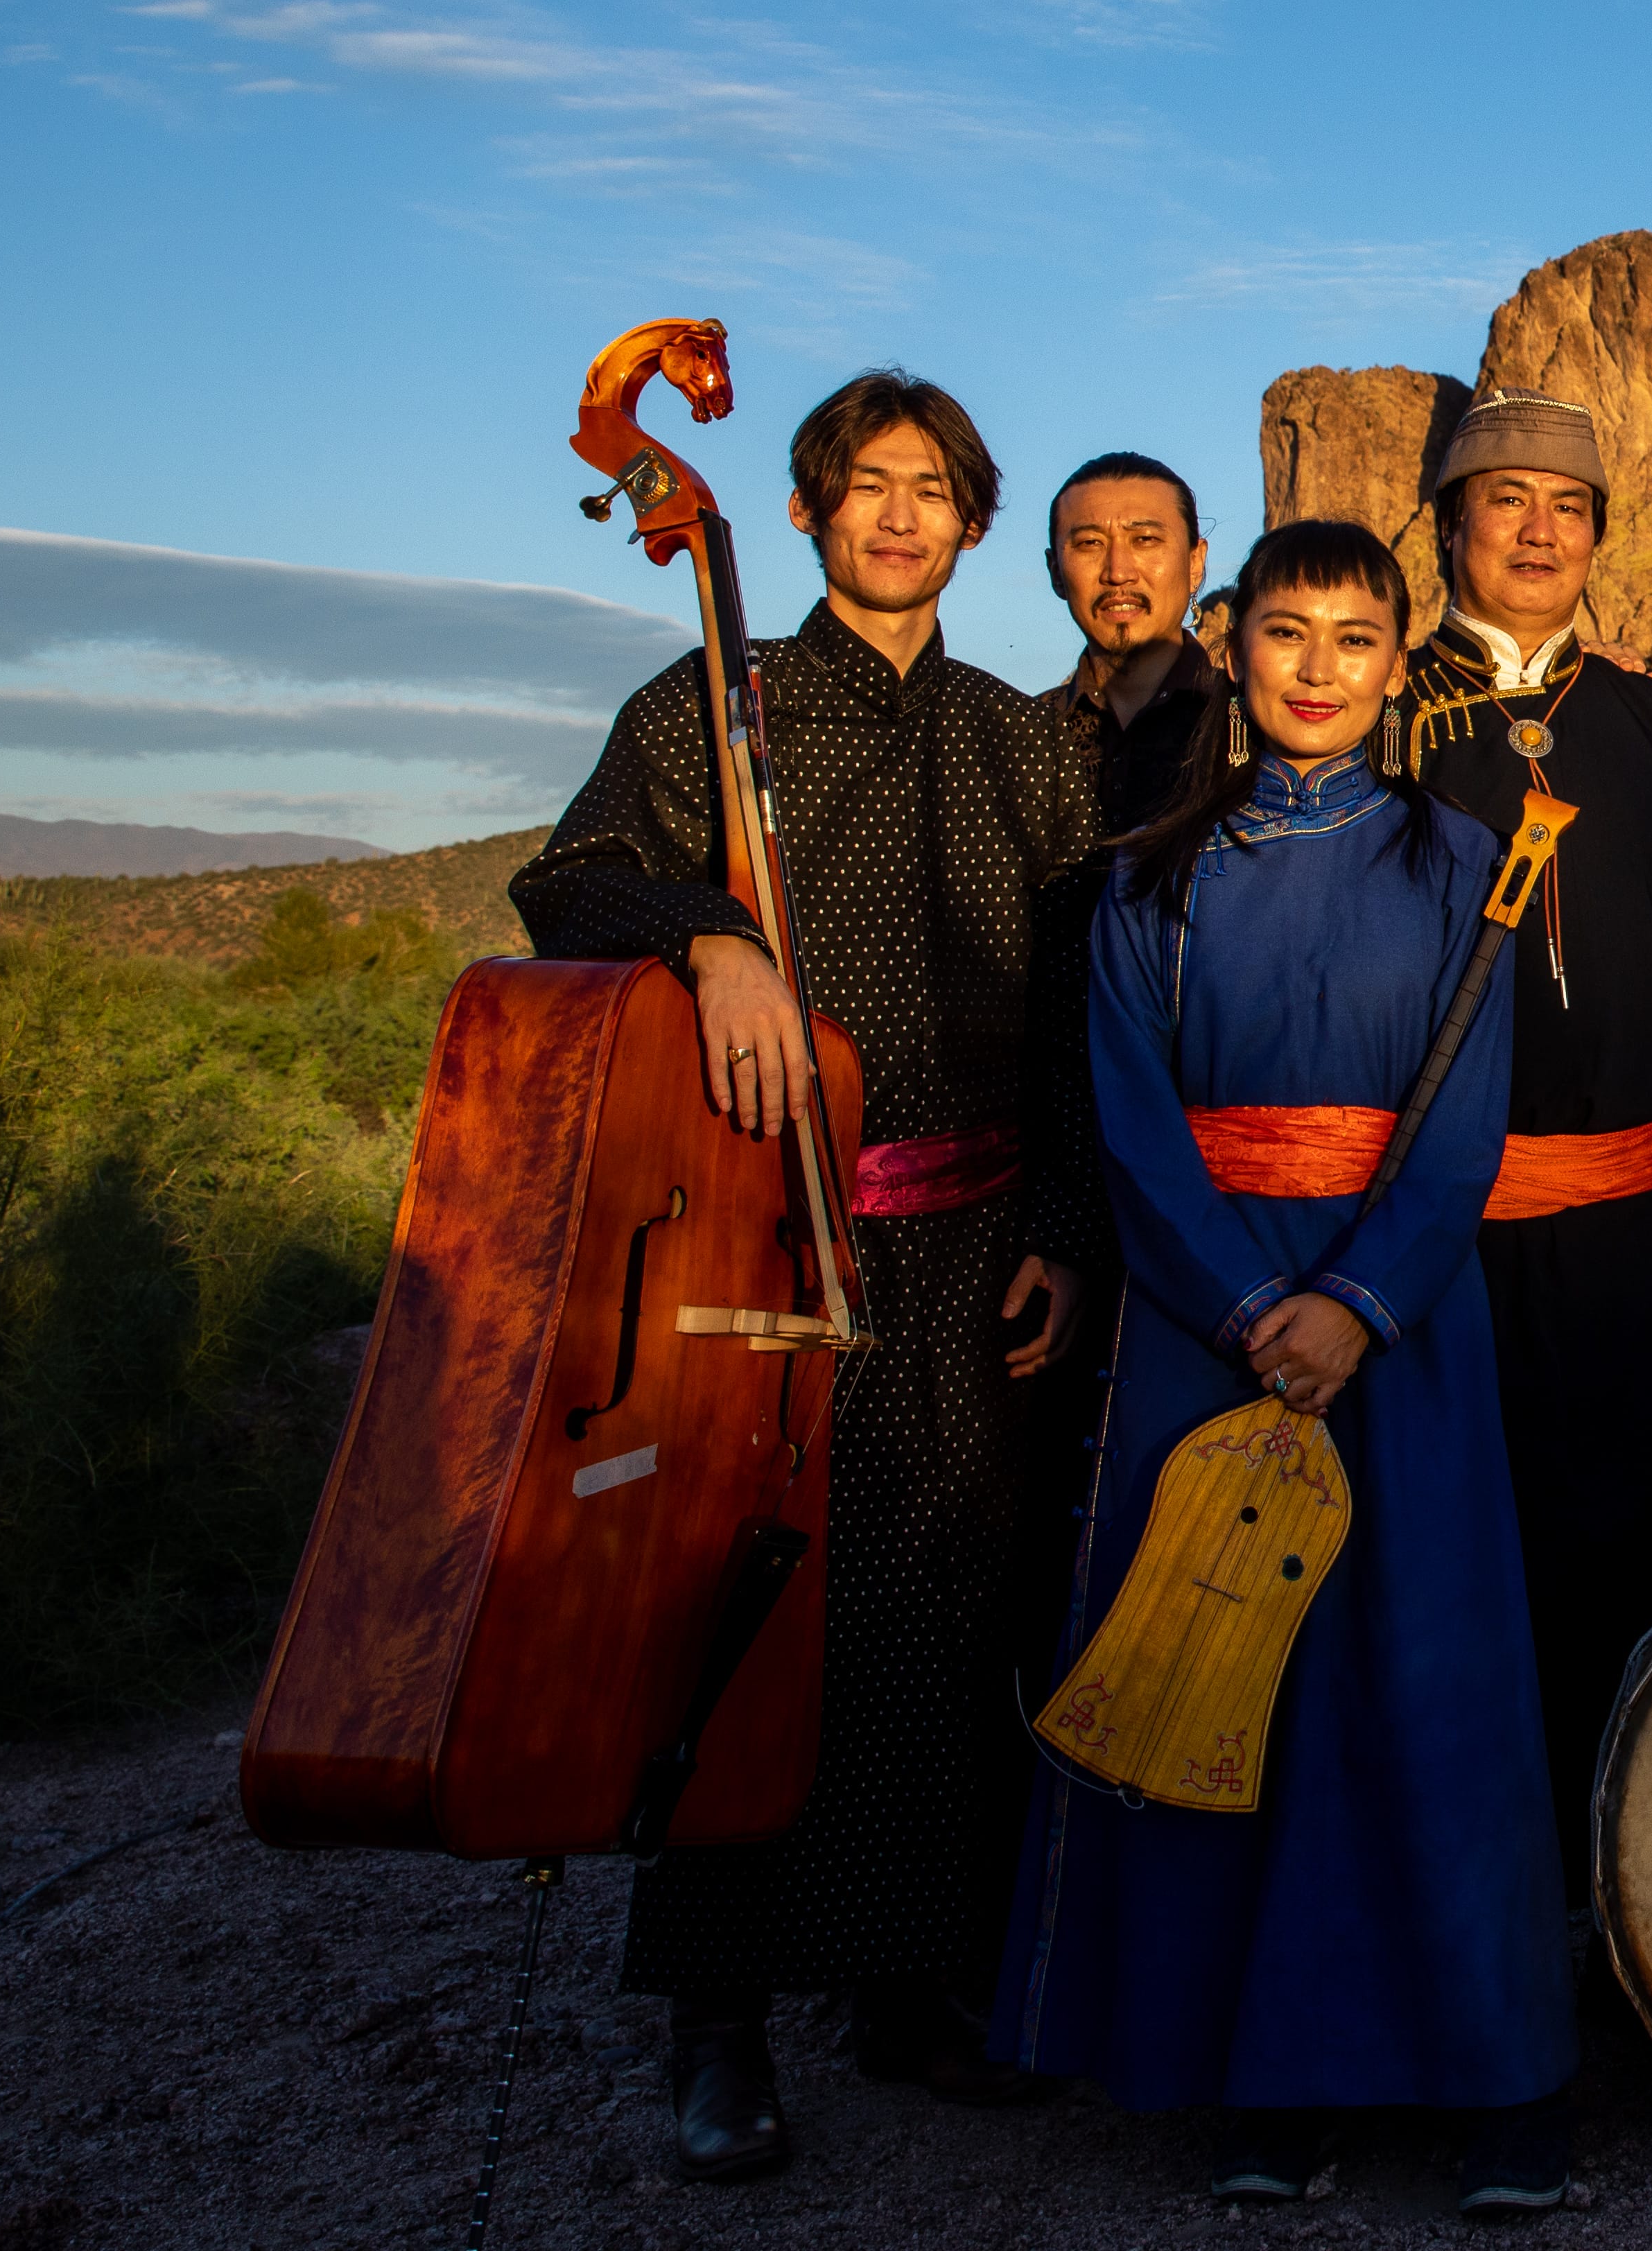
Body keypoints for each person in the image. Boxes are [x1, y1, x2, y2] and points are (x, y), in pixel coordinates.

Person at [511, 368, 1102, 2182]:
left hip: (976, 1243)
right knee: (757, 1614)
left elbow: (1079, 1007)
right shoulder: (714, 704)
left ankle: (910, 1990)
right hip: (768, 1243)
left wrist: (1064, 1225)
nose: (900, 515)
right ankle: (719, 2019)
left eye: (933, 489)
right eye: (867, 485)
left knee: (950, 1608)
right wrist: (711, 938)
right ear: (807, 512)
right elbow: (570, 877)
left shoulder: (1025, 740)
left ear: (974, 524)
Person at [999, 520, 1578, 2217]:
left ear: (1400, 662)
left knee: (1427, 1685)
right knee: (1227, 1677)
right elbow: (1132, 1127)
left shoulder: (1472, 856)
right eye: (1284, 632)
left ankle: (1497, 2083)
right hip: (1210, 1325)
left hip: (1404, 1324)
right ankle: (1265, 2077)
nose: (1318, 667)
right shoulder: (1146, 879)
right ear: (1232, 647)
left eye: (1354, 636)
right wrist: (1256, 1305)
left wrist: (1358, 1304)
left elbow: (1465, 1127)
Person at [1391, 389, 1652, 1872]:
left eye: (1568, 508)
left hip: (1643, 1241)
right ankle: (1475, 1907)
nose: (1538, 531)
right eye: (1505, 501)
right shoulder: (1381, 717)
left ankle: (1641, 1885)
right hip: (1442, 1243)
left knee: (1644, 1562)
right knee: (1455, 1563)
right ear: (1448, 525)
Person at [1045, 449, 1222, 827]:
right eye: (1090, 543)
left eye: (1145, 539)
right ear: (1056, 571)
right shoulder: (1017, 736)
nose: (1118, 572)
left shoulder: (1250, 727)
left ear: (1195, 563)